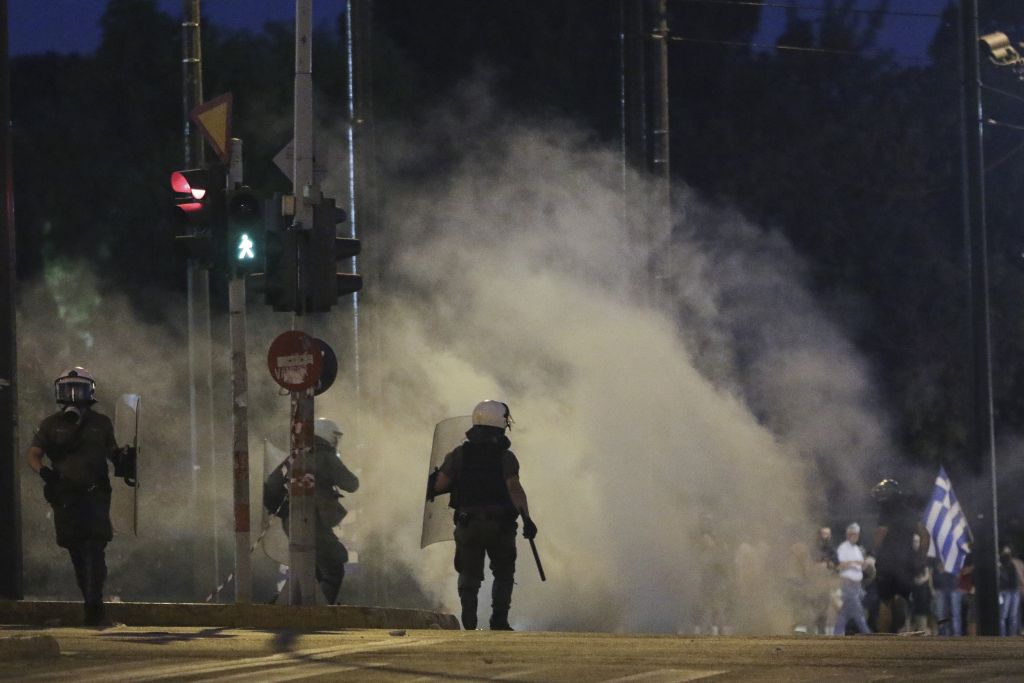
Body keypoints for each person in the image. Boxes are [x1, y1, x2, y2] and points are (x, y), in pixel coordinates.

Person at [26, 367, 135, 627]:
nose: (74, 396)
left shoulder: (101, 423)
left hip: (95, 494)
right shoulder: (50, 424)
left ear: (90, 393)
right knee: (77, 551)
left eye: (80, 390)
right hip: (65, 496)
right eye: (68, 390)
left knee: (95, 548)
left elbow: (112, 452)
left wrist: (124, 459)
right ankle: (91, 602)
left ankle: (94, 605)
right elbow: (33, 453)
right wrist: (44, 473)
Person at [427, 400, 537, 630]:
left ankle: (469, 621)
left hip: (469, 523)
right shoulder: (506, 457)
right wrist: (526, 518)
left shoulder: (459, 455)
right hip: (501, 525)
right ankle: (499, 621)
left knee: (469, 573)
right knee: (504, 572)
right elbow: (514, 488)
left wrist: (434, 481)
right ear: (499, 423)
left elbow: (439, 485)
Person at [263, 417, 359, 604]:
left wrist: (283, 512)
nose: (336, 442)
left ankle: (281, 607)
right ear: (326, 435)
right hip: (315, 521)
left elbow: (272, 485)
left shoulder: (294, 457)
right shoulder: (325, 455)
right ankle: (321, 608)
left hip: (290, 521)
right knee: (333, 565)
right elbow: (351, 483)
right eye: (335, 437)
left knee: (310, 567)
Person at [871, 478, 930, 633]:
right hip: (907, 564)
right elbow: (925, 535)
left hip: (887, 563)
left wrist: (876, 553)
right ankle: (903, 631)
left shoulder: (886, 511)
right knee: (904, 598)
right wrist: (921, 557)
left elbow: (880, 535)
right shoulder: (909, 512)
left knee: (885, 601)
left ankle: (885, 637)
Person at [833, 522, 871, 635]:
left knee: (844, 615)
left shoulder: (857, 549)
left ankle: (837, 635)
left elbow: (860, 565)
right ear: (848, 535)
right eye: (854, 534)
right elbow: (839, 565)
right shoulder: (842, 548)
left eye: (857, 534)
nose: (856, 537)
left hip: (857, 586)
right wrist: (854, 562)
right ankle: (868, 635)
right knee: (858, 613)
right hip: (847, 584)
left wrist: (865, 564)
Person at [998, 546, 1020, 637]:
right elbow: (1002, 577)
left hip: (1014, 591)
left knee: (1012, 616)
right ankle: (1003, 637)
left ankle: (1012, 637)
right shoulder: (1000, 563)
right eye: (1006, 551)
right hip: (1006, 591)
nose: (1007, 553)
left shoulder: (1012, 563)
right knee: (1003, 617)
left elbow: (1016, 577)